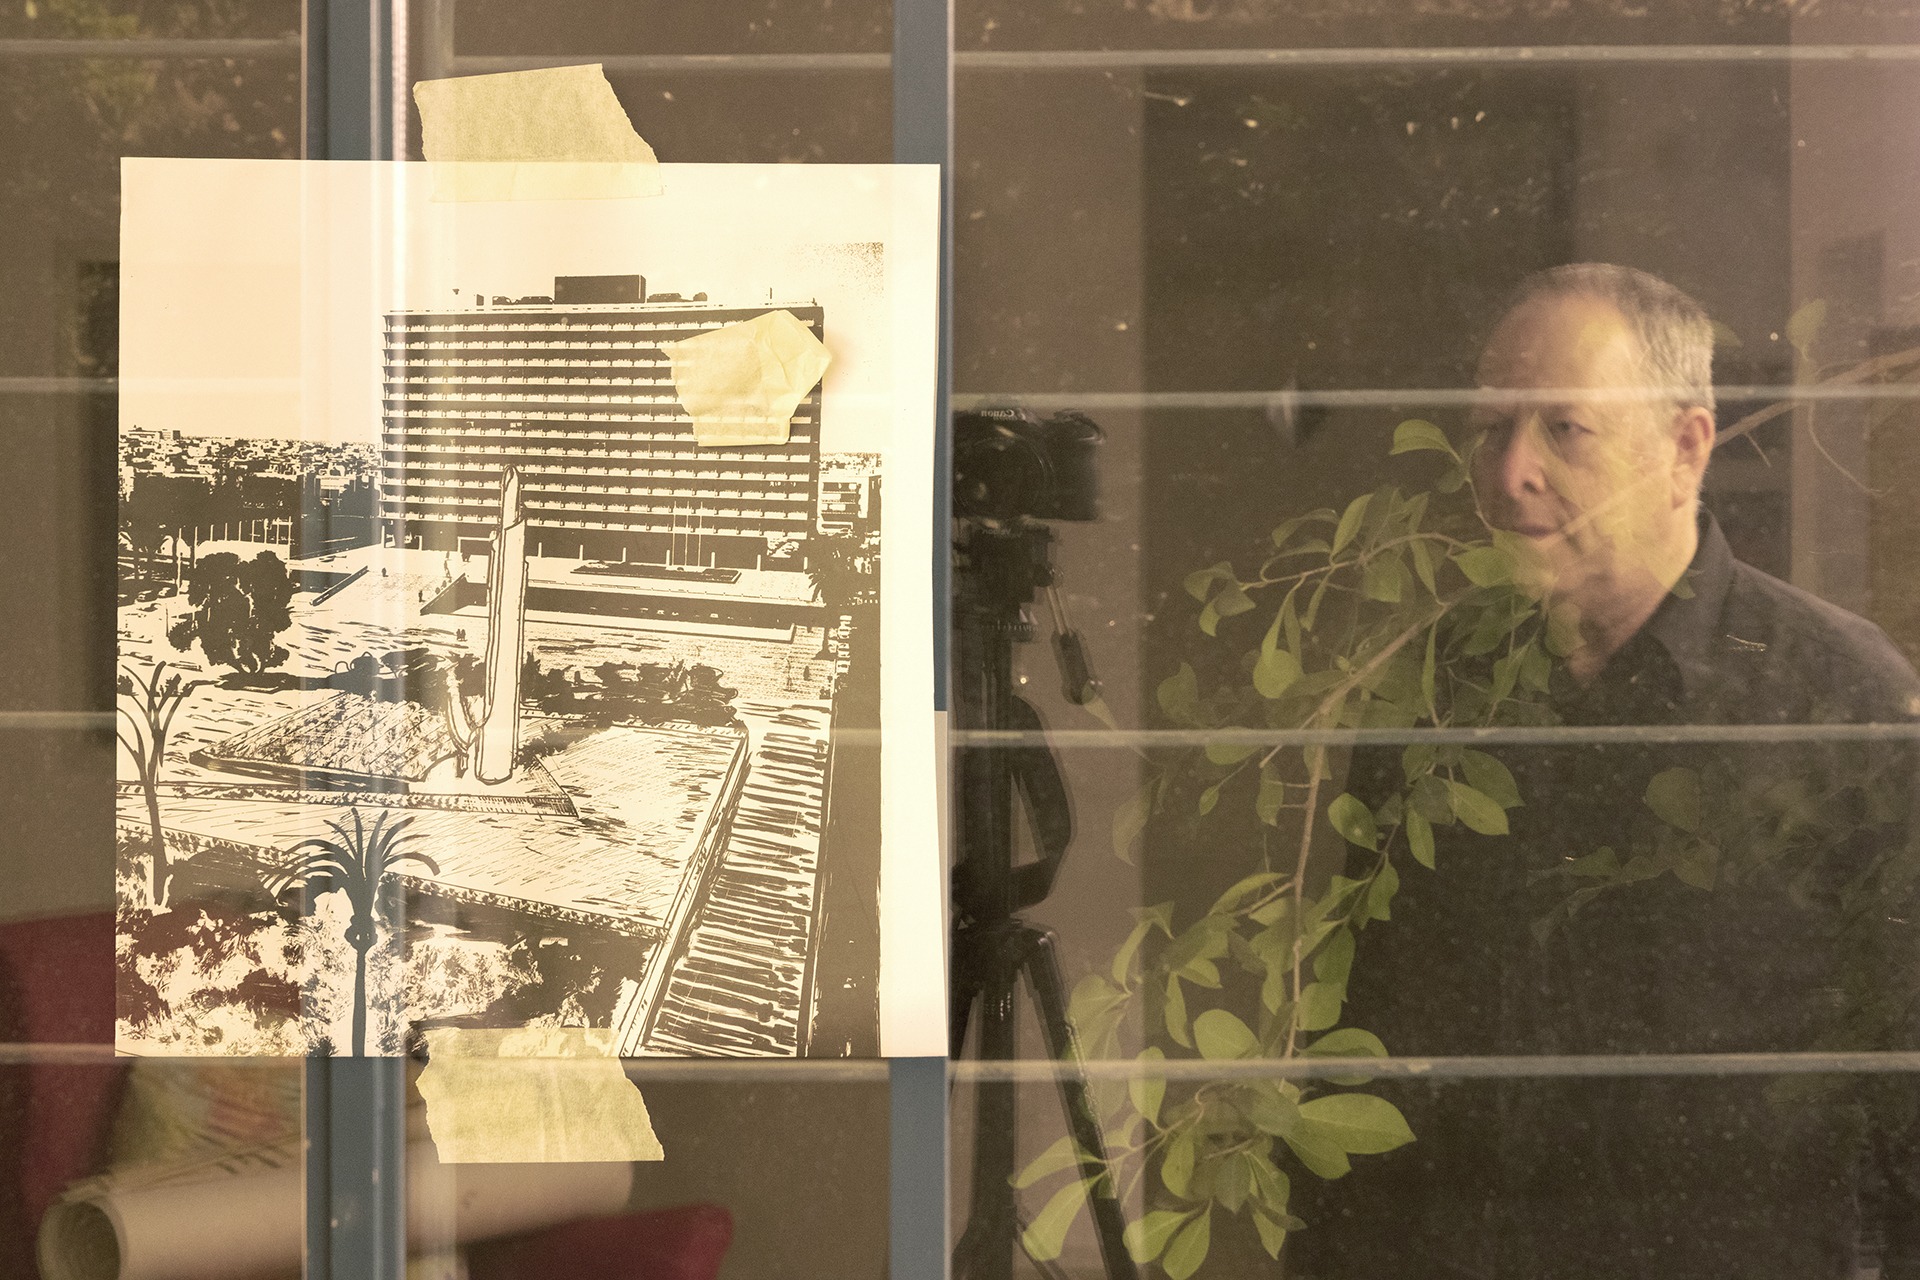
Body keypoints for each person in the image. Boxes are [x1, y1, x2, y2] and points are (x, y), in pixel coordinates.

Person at [1293, 265, 1920, 1280]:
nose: (1510, 473)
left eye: (1564, 429)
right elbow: (1360, 1054)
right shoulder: (1435, 689)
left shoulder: (1841, 701)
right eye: (1491, 428)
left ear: (1686, 449)